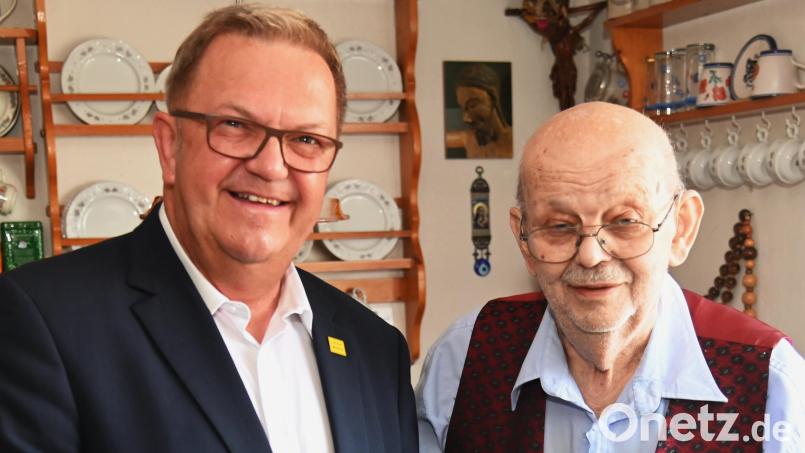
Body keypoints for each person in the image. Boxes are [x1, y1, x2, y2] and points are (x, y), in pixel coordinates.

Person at [0, 5, 417, 453]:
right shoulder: (43, 323)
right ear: (169, 145)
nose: (271, 166)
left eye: (306, 140)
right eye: (235, 126)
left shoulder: (376, 349)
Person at [418, 102, 804, 452]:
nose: (590, 255)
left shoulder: (771, 383)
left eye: (625, 221)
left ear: (682, 228)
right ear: (523, 239)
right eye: (558, 226)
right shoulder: (465, 355)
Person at [445, 63, 513, 159]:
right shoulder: (468, 139)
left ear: (493, 98)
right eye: (463, 108)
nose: (465, 118)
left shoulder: (516, 140)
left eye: (472, 105)